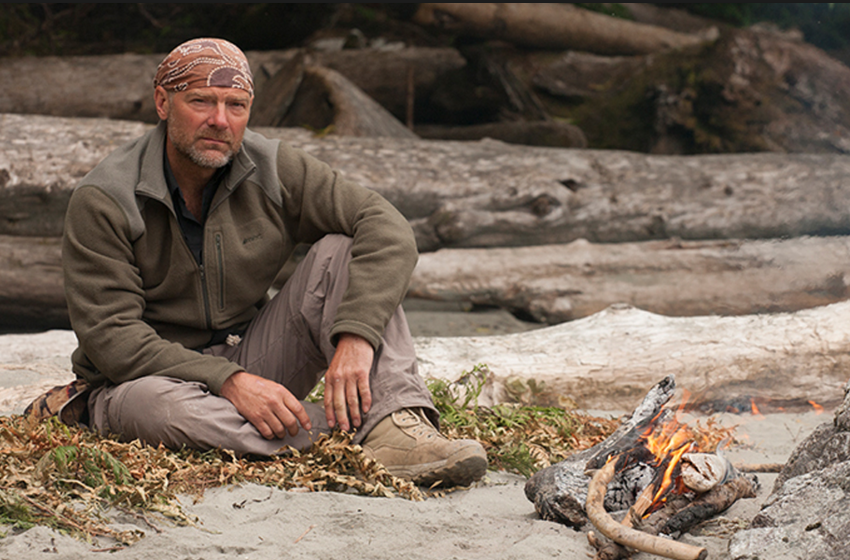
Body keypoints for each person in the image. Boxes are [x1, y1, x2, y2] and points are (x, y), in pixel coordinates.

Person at [61, 37, 487, 487]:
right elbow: (113, 337)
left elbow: (387, 227)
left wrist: (357, 337)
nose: (220, 120)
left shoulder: (274, 168)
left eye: (236, 105)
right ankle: (357, 432)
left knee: (340, 249)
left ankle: (397, 423)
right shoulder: (105, 198)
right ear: (163, 102)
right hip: (147, 380)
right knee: (156, 409)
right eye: (201, 102)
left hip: (252, 354)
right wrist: (229, 381)